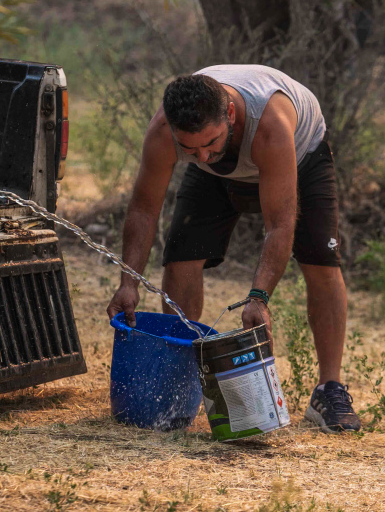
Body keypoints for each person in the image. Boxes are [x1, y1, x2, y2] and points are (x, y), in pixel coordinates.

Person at [106, 64, 361, 433]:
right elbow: (144, 209)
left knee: (321, 262)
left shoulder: (270, 124)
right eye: (189, 148)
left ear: (230, 113)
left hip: (301, 156)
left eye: (209, 142)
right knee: (181, 256)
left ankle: (330, 389)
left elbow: (279, 224)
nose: (202, 156)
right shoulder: (167, 131)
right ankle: (181, 377)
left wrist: (259, 298)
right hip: (218, 174)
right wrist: (128, 283)